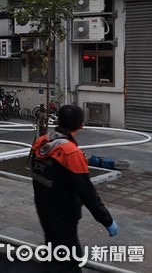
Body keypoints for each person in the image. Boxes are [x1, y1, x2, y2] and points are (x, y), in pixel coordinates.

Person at [31, 104, 117, 271]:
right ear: (81, 125)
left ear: (58, 120)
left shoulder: (42, 142)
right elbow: (87, 192)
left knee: (54, 251)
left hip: (43, 207)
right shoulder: (70, 153)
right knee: (69, 261)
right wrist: (107, 220)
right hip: (63, 215)